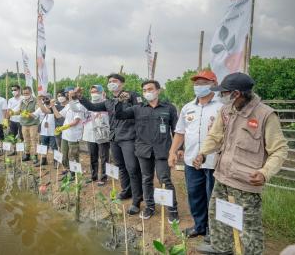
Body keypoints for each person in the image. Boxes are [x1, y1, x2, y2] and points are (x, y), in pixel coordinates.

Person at [194, 73, 288, 255]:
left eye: (224, 93)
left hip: (246, 184)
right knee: (218, 218)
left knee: (249, 230)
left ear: (236, 94)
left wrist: (264, 172)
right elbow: (215, 136)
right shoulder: (226, 111)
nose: (221, 97)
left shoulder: (265, 115)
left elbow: (279, 150)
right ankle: (222, 250)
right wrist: (203, 153)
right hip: (222, 177)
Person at [76, 73, 143, 216]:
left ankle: (137, 200)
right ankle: (126, 191)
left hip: (129, 137)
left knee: (132, 168)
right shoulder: (108, 102)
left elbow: (140, 111)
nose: (112, 83)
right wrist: (80, 97)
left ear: (122, 83)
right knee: (121, 167)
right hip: (114, 138)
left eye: (115, 81)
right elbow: (92, 107)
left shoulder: (131, 96)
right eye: (110, 81)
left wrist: (125, 101)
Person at [168, 69, 223, 238]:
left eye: (204, 83)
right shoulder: (188, 107)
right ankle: (199, 226)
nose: (199, 86)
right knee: (195, 195)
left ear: (214, 84)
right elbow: (180, 132)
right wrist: (172, 152)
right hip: (192, 161)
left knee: (213, 198)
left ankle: (213, 232)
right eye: (197, 83)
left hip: (215, 161)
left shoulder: (222, 107)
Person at [115, 80, 179, 222]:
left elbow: (176, 130)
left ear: (158, 90)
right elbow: (119, 115)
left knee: (165, 179)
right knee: (146, 179)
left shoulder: (169, 108)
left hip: (163, 150)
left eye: (150, 89)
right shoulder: (137, 108)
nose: (147, 92)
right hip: (143, 150)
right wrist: (120, 101)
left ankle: (172, 209)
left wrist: (177, 150)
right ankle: (149, 206)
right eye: (144, 90)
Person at [51, 86, 87, 179]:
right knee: (64, 155)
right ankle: (68, 170)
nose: (68, 94)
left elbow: (76, 122)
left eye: (70, 93)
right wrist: (53, 106)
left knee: (73, 155)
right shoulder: (68, 105)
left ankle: (74, 173)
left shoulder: (80, 105)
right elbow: (59, 115)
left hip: (74, 135)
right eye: (67, 93)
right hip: (65, 135)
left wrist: (64, 127)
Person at [82, 85, 110, 186]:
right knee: (93, 156)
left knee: (104, 156)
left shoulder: (107, 103)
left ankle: (103, 177)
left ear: (102, 92)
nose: (94, 93)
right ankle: (93, 176)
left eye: (96, 91)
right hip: (90, 134)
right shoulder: (87, 104)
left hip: (103, 135)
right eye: (92, 91)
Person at [33, 93, 58, 167]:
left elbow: (45, 111)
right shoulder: (41, 106)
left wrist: (38, 101)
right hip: (43, 131)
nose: (45, 100)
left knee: (54, 147)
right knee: (43, 146)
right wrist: (25, 113)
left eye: (47, 98)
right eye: (44, 99)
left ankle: (56, 161)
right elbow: (34, 115)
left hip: (53, 131)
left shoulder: (54, 106)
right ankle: (43, 160)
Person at [18, 86, 40, 164]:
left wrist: (28, 114)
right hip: (24, 124)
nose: (25, 94)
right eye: (24, 93)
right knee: (26, 140)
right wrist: (14, 112)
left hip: (33, 124)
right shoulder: (22, 101)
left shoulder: (35, 100)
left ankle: (35, 156)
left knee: (33, 140)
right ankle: (27, 154)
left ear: (30, 92)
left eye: (27, 93)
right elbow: (20, 110)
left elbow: (37, 112)